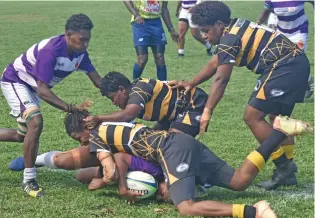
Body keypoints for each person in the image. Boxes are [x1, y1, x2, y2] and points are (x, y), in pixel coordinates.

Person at [58, 109, 311, 217]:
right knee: (239, 181)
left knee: (186, 207)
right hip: (183, 142)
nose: (81, 142)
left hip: (170, 150)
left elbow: (112, 171)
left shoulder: (96, 135)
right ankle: (278, 132)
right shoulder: (110, 126)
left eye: (76, 137)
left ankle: (254, 212)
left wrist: (101, 181)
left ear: (82, 127)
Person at [168, 1, 311, 190]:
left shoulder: (229, 38)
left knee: (252, 116)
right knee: (276, 119)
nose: (204, 36)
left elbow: (221, 79)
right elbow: (215, 63)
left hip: (285, 67)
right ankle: (287, 172)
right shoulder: (235, 27)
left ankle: (284, 167)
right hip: (297, 64)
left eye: (206, 30)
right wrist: (192, 83)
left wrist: (207, 111)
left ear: (219, 24)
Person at [0, 14, 102, 197]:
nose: (85, 44)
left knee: (21, 136)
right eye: (82, 40)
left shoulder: (80, 54)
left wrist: (125, 93)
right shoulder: (51, 51)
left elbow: (98, 81)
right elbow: (42, 90)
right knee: (35, 122)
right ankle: (29, 179)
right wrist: (70, 108)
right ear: (67, 35)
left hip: (32, 87)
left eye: (88, 40)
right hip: (16, 81)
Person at [84, 71, 208, 137]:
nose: (114, 103)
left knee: (174, 143)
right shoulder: (133, 97)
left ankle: (205, 176)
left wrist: (98, 118)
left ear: (122, 89)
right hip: (171, 115)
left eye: (113, 98)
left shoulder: (139, 88)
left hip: (193, 104)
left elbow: (127, 115)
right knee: (152, 140)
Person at [257, 0, 314, 98]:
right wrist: (257, 25)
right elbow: (267, 11)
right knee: (280, 61)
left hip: (299, 31)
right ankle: (308, 80)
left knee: (295, 59)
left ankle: (307, 85)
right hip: (281, 33)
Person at [124, 0, 179, 81]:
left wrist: (171, 29)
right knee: (142, 59)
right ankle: (133, 85)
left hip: (156, 23)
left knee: (160, 58)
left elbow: (164, 8)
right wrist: (136, 14)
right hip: (140, 23)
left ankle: (164, 87)